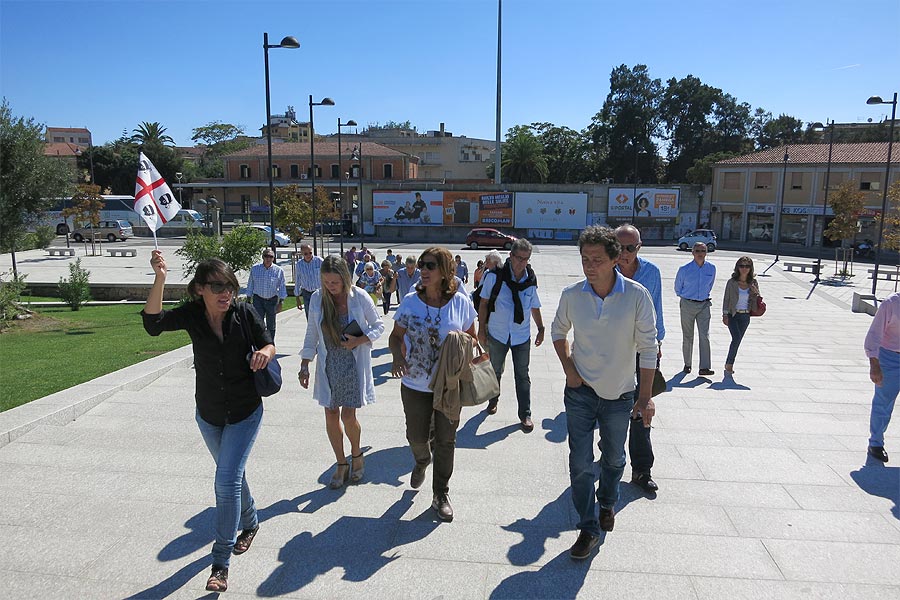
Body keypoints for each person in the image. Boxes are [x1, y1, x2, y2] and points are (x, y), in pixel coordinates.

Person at [142, 252, 276, 593]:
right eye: (217, 286)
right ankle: (251, 522)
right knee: (231, 475)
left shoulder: (244, 313)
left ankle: (220, 564)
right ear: (200, 289)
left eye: (229, 285)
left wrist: (266, 354)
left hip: (246, 411)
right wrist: (159, 277)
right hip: (210, 415)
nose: (225, 292)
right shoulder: (192, 316)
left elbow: (268, 343)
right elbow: (153, 325)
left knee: (226, 481)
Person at [551, 225, 657, 560]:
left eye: (597, 259)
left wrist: (645, 397)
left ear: (615, 259)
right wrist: (570, 371)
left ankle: (607, 502)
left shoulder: (637, 295)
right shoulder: (572, 295)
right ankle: (588, 526)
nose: (589, 265)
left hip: (620, 395)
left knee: (614, 458)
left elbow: (648, 348)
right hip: (580, 393)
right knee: (580, 463)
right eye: (585, 259)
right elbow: (558, 332)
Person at [389, 247, 477, 522]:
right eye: (422, 265)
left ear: (445, 272)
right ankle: (421, 460)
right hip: (415, 383)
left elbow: (473, 337)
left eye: (430, 266)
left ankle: (441, 493)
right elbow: (395, 336)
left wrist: (459, 344)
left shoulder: (461, 303)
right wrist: (396, 356)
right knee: (416, 436)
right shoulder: (411, 302)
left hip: (448, 386)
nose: (423, 270)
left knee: (446, 441)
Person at [300, 256, 384, 487]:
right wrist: (305, 364)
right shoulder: (317, 299)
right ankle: (340, 463)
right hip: (329, 364)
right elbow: (311, 334)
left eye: (335, 282)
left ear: (345, 278)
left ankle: (356, 455)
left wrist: (360, 340)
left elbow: (379, 326)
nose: (331, 286)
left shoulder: (359, 297)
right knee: (330, 413)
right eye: (326, 282)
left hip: (352, 364)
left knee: (348, 415)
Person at [614, 224, 665, 493]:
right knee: (610, 406)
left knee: (642, 407)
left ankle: (642, 469)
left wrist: (658, 343)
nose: (624, 253)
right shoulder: (605, 271)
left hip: (643, 348)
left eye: (630, 248)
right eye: (619, 247)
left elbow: (656, 309)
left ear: (639, 247)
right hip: (613, 351)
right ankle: (610, 449)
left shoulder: (652, 273)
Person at [477, 238, 544, 432]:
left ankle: (525, 414)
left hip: (521, 336)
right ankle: (493, 401)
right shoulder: (495, 276)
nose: (522, 262)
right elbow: (483, 303)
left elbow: (534, 305)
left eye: (526, 259)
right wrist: (481, 329)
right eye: (519, 258)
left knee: (522, 375)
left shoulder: (530, 279)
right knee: (495, 371)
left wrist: (540, 327)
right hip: (498, 333)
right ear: (510, 255)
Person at [864, 292, 900, 463]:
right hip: (890, 358)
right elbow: (874, 335)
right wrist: (874, 364)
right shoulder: (891, 303)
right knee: (883, 402)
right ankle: (876, 443)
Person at [674, 242, 716, 376]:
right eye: (697, 250)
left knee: (705, 336)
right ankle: (687, 364)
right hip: (687, 304)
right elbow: (677, 288)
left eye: (703, 251)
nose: (700, 253)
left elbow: (710, 285)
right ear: (692, 252)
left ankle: (704, 367)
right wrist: (687, 298)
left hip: (704, 304)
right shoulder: (684, 269)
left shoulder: (711, 268)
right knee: (688, 336)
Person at [721, 256, 761, 374]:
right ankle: (729, 364)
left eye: (747, 266)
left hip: (745, 316)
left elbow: (757, 298)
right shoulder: (732, 282)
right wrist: (724, 314)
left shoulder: (753, 282)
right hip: (733, 314)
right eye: (742, 266)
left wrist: (755, 292)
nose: (744, 269)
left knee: (737, 340)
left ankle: (729, 363)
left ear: (751, 268)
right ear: (737, 267)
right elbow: (726, 299)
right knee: (736, 338)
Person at [245, 248, 287, 341]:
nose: (268, 258)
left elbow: (282, 286)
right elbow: (250, 284)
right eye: (266, 256)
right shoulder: (255, 269)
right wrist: (248, 298)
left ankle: (270, 343)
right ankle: (260, 343)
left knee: (271, 325)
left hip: (272, 300)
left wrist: (281, 302)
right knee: (258, 323)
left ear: (273, 258)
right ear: (262, 257)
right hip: (258, 299)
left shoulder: (279, 270)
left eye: (271, 256)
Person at [294, 243, 323, 321]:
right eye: (306, 253)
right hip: (306, 293)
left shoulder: (319, 261)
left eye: (310, 252)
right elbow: (297, 281)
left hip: (319, 293)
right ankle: (312, 332)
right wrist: (297, 298)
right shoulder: (299, 265)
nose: (308, 255)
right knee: (309, 316)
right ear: (302, 254)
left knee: (321, 315)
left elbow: (326, 275)